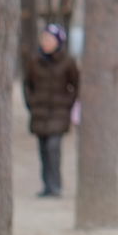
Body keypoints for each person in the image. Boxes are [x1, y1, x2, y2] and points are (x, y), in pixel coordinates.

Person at [23, 24, 80, 198]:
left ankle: (56, 185)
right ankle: (46, 185)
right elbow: (27, 85)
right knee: (42, 149)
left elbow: (76, 84)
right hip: (39, 112)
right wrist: (31, 102)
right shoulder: (34, 61)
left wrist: (67, 103)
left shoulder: (68, 62)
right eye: (44, 38)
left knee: (53, 147)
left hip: (59, 112)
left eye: (50, 39)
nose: (46, 42)